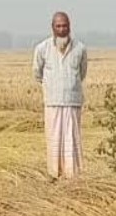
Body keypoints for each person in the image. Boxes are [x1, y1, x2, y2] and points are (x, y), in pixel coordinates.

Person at [33, 11, 88, 180]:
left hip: (72, 101)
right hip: (52, 101)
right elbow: (37, 73)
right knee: (54, 138)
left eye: (65, 26)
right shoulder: (42, 48)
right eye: (58, 26)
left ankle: (73, 175)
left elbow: (82, 72)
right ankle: (54, 174)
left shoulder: (80, 48)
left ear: (69, 27)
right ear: (53, 28)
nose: (62, 29)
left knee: (72, 138)